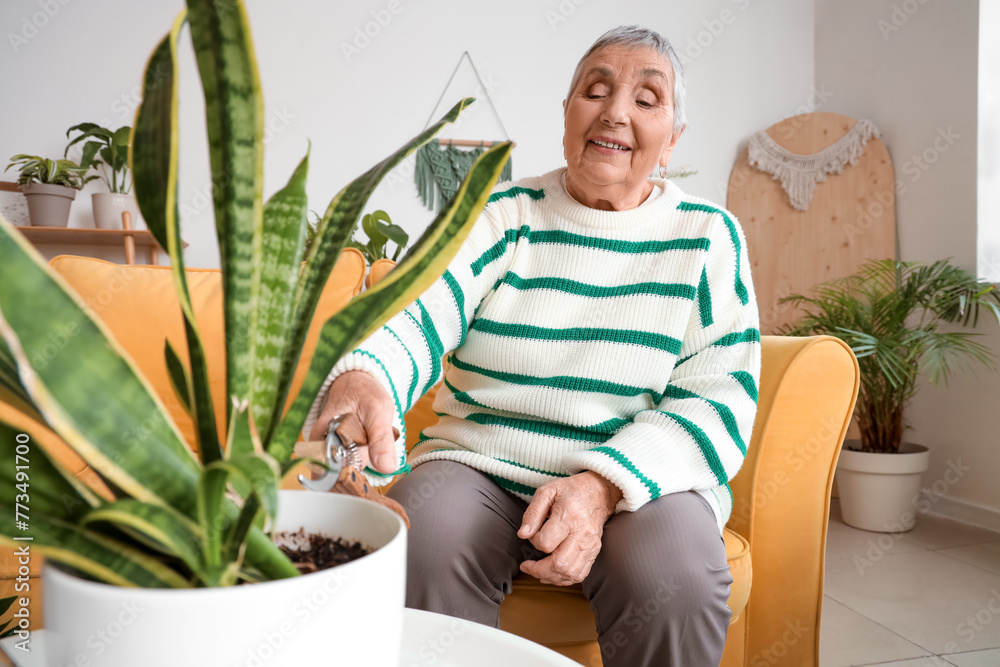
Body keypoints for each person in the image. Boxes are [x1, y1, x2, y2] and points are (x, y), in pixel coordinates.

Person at [306, 24, 760, 667]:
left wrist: (602, 485)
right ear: (567, 114)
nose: (616, 111)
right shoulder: (500, 213)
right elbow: (419, 310)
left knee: (676, 578)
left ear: (673, 141)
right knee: (422, 537)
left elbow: (721, 394)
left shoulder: (708, 236)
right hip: (480, 466)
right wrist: (367, 375)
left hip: (638, 483)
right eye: (595, 90)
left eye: (647, 99)